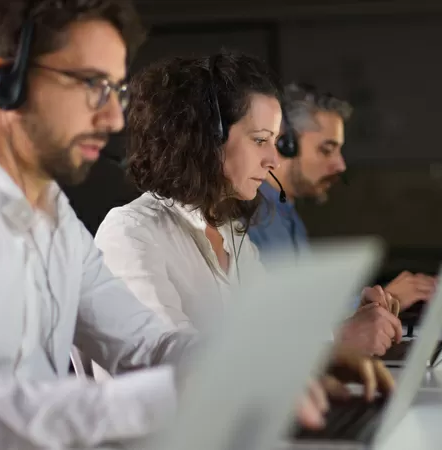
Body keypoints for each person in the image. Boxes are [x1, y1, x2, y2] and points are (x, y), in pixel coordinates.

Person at [0, 1, 392, 447]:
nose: (112, 119)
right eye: (92, 85)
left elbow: (146, 345)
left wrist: (274, 367)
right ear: (4, 84)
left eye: (117, 91)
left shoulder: (57, 222)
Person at [93, 52, 403, 357]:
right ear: (207, 138)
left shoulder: (232, 233)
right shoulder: (131, 233)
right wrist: (338, 343)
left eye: (275, 141)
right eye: (259, 140)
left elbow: (275, 333)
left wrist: (346, 328)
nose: (272, 160)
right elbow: (170, 359)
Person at [247, 83, 437, 313]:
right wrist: (385, 299)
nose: (340, 165)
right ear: (284, 144)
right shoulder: (250, 218)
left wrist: (377, 301)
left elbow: (308, 306)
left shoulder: (288, 214)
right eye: (327, 150)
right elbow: (281, 319)